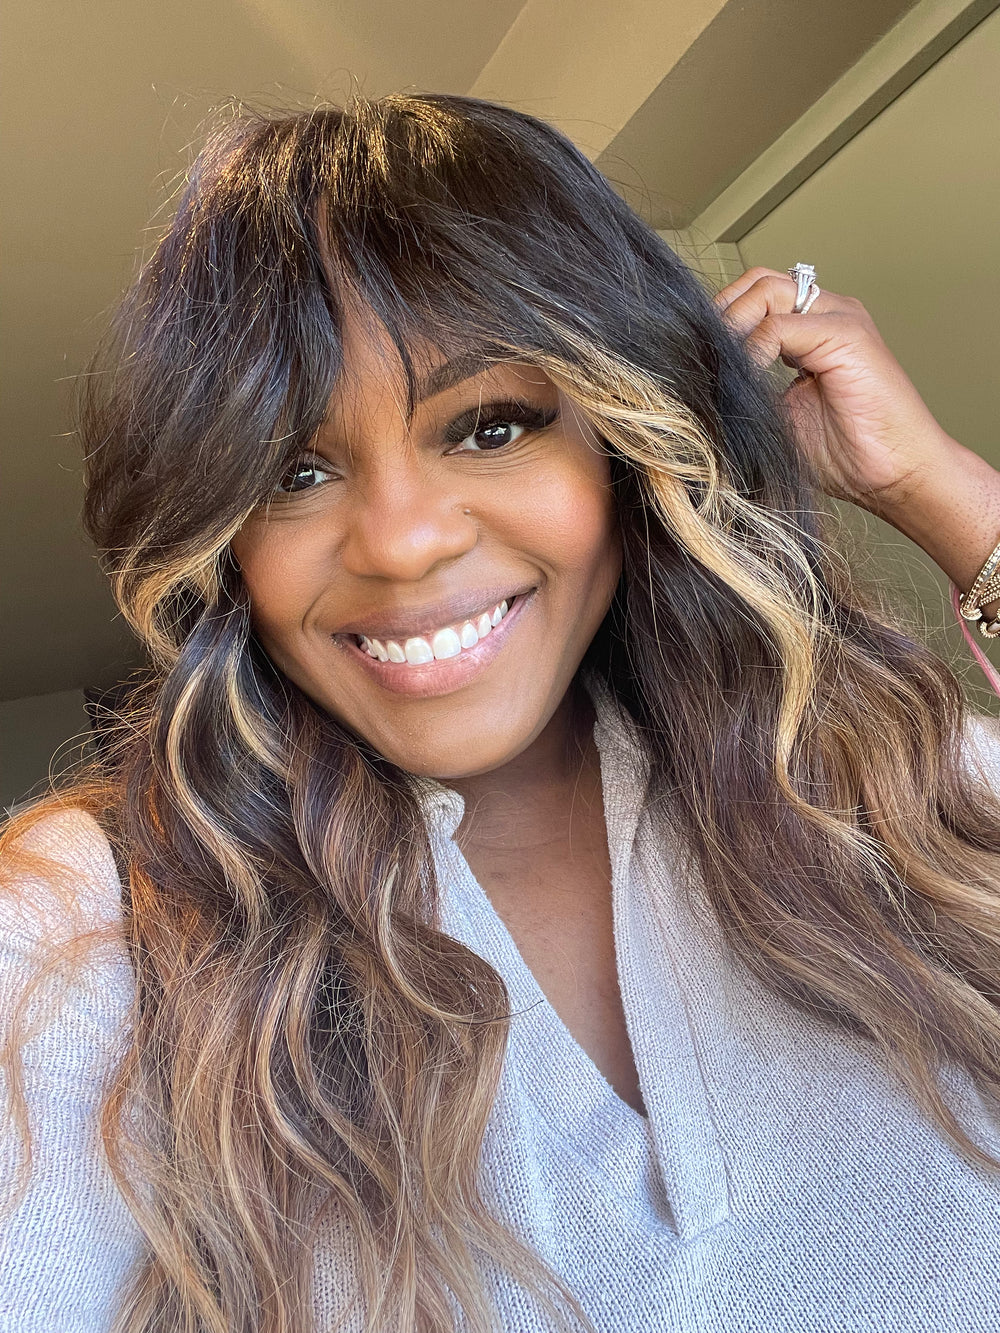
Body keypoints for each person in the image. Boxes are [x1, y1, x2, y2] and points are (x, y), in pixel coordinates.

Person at [2, 92, 1000, 1333]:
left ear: (625, 445)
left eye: (489, 427)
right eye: (295, 471)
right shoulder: (94, 923)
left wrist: (946, 494)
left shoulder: (881, 783)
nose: (403, 542)